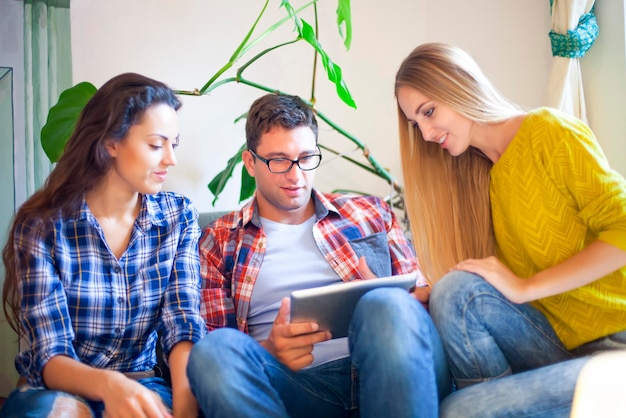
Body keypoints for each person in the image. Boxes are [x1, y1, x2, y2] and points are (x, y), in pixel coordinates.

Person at [394, 42, 626, 417]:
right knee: (455, 292)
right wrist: (431, 294)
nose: (425, 133)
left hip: (616, 348)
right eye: (415, 123)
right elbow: (497, 282)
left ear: (459, 84)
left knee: (461, 412)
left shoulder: (548, 131)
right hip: (561, 349)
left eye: (429, 112)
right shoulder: (486, 176)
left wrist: (526, 288)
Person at [186, 93, 451, 418]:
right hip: (297, 388)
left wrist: (398, 299)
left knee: (386, 304)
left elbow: (424, 309)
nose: (296, 176)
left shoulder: (371, 213)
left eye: (307, 157)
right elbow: (215, 346)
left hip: (390, 370)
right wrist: (270, 350)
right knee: (214, 351)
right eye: (279, 160)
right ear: (250, 163)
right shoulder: (219, 241)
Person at [0, 73, 206, 418]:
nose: (170, 159)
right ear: (111, 141)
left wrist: (185, 407)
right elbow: (51, 355)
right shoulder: (41, 225)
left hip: (145, 384)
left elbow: (182, 323)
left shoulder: (178, 217)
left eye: (175, 144)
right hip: (55, 390)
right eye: (156, 145)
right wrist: (110, 386)